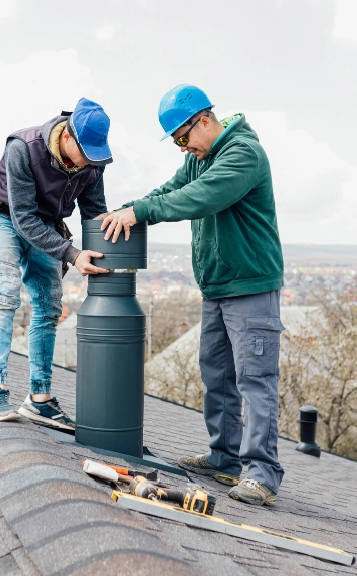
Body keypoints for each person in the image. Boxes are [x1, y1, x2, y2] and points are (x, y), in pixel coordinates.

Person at [101, 85, 285, 506]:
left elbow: (198, 199)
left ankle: (263, 474)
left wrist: (141, 213)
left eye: (183, 138)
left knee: (255, 381)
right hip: (218, 287)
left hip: (252, 287)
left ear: (204, 121)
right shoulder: (198, 159)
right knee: (217, 376)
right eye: (176, 143)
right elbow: (167, 192)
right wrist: (124, 210)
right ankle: (225, 458)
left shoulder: (243, 154)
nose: (182, 148)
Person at [0, 98, 111, 428]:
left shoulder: (93, 163)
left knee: (49, 306)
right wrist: (71, 254)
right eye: (86, 155)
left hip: (48, 224)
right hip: (8, 218)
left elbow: (94, 213)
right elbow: (23, 217)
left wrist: (108, 245)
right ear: (67, 137)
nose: (89, 164)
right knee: (6, 295)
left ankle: (39, 398)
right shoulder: (23, 148)